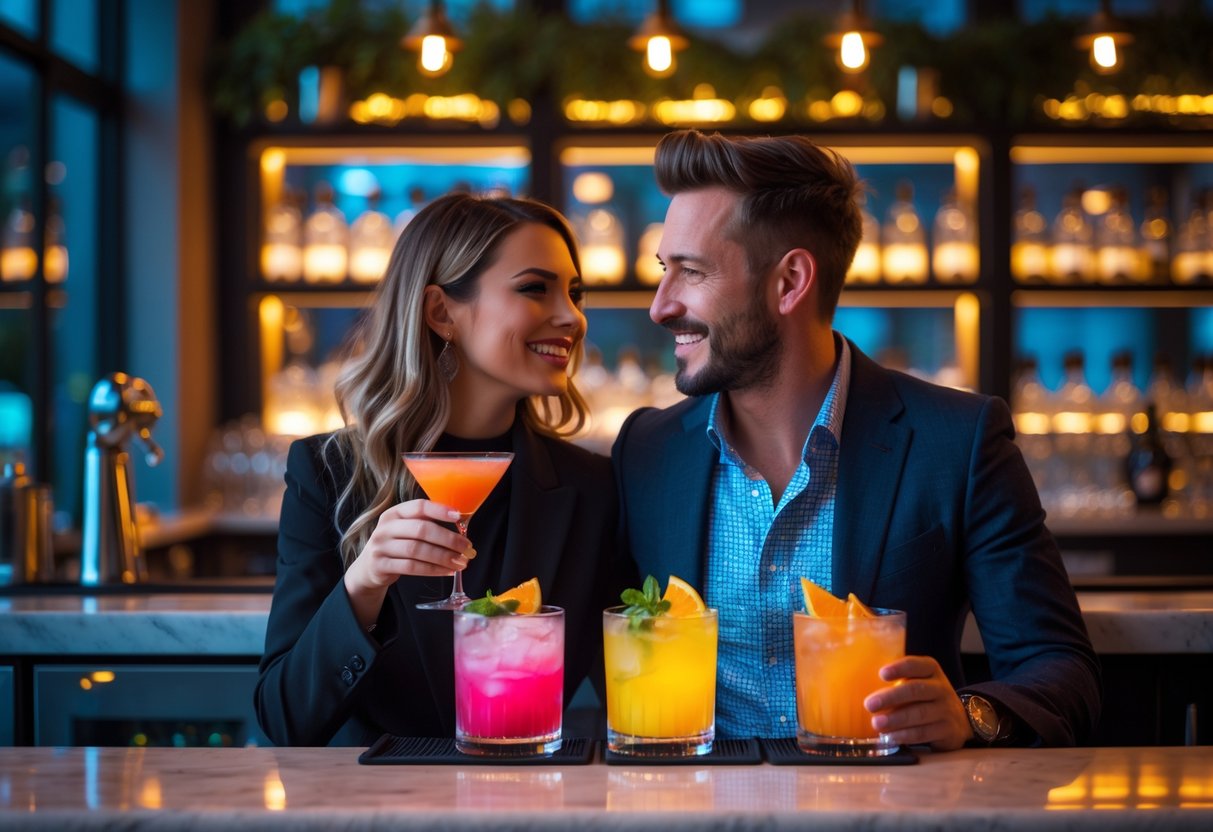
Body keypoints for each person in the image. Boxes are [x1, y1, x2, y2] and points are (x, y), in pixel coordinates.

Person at [612, 130, 1100, 749]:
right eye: (664, 270)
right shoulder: (646, 453)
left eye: (691, 272)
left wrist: (971, 713)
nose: (660, 305)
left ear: (790, 282)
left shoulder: (957, 441)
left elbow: (1062, 668)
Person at [257, 193, 624, 746]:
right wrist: (364, 585)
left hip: (531, 807)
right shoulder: (329, 474)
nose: (572, 317)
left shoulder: (594, 489)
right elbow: (285, 720)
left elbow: (633, 682)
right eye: (534, 288)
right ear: (440, 312)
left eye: (575, 294)